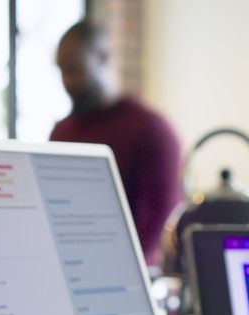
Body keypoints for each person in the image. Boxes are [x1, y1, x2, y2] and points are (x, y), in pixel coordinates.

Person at [51, 21, 182, 267]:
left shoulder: (152, 131)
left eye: (74, 70)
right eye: (62, 71)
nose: (67, 82)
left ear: (104, 58)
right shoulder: (62, 131)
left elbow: (156, 229)